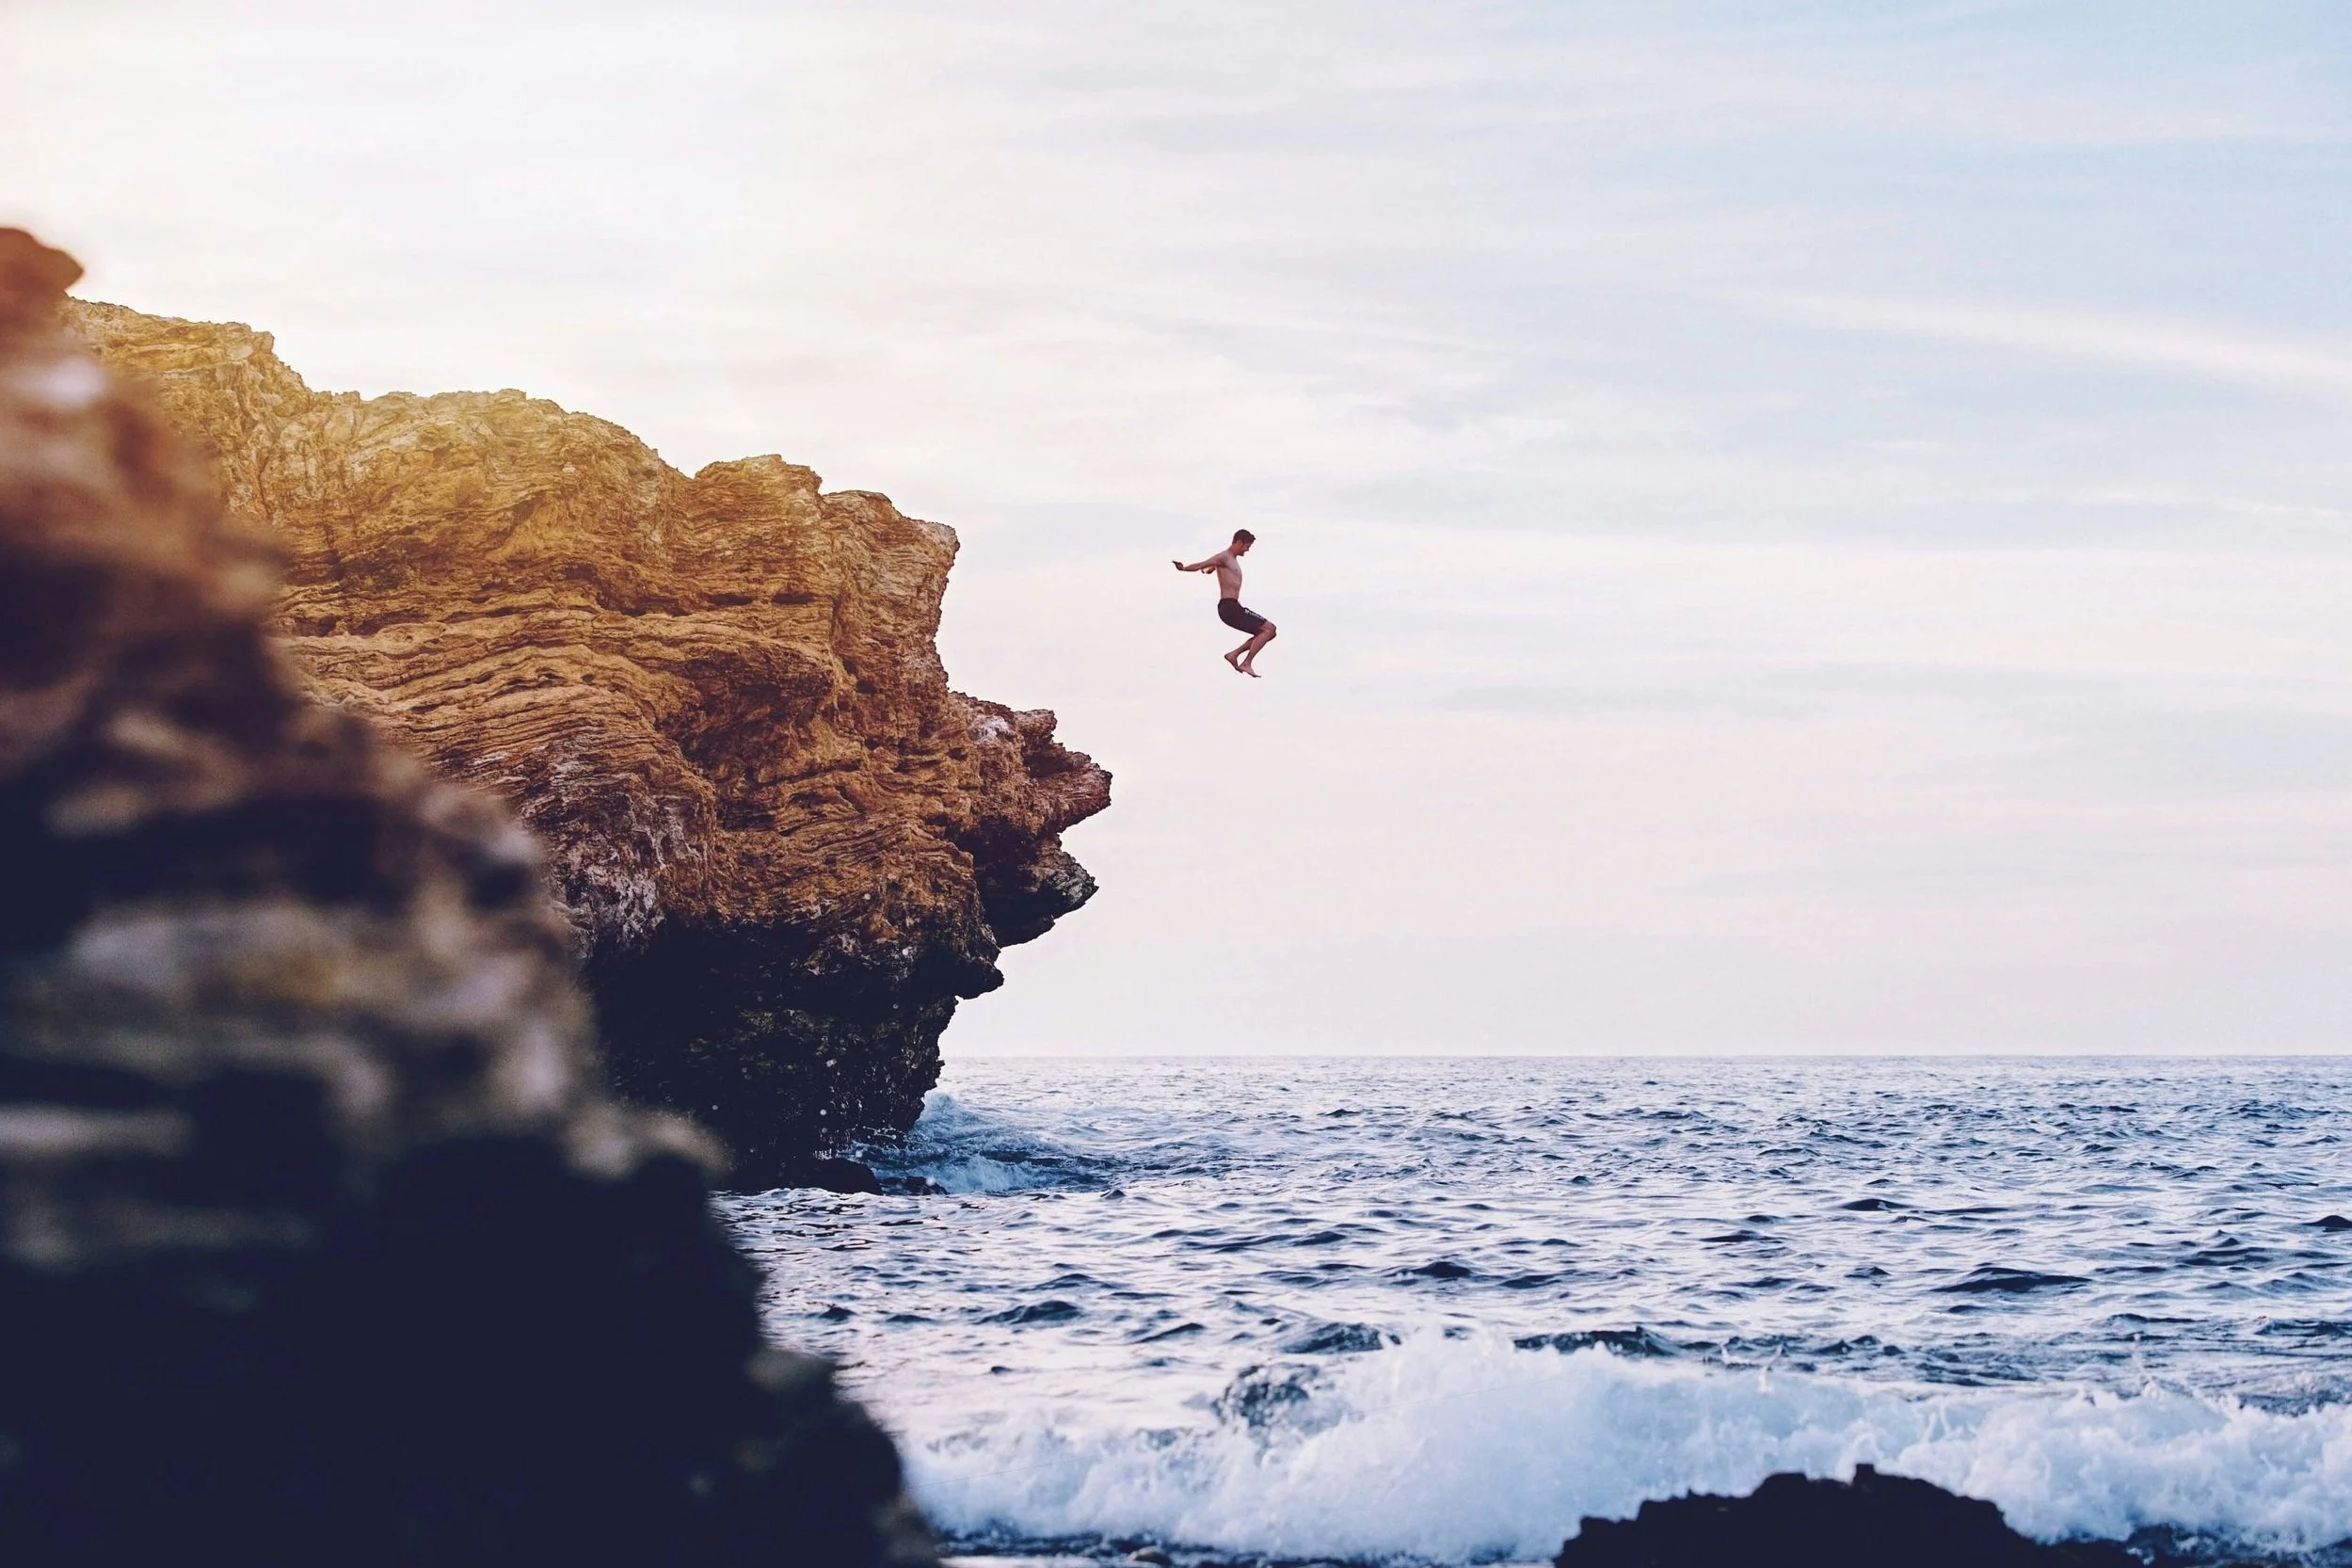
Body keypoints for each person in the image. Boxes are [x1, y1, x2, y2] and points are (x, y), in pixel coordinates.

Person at [1173, 529, 1277, 677]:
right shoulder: (1224, 557)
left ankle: (1234, 654)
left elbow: (1208, 569)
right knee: (1270, 628)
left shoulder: (1230, 561)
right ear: (1239, 542)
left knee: (1269, 633)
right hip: (1230, 607)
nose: (1247, 550)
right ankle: (1246, 663)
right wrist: (1184, 568)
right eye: (1247, 546)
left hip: (1232, 608)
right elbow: (1202, 565)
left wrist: (1209, 570)